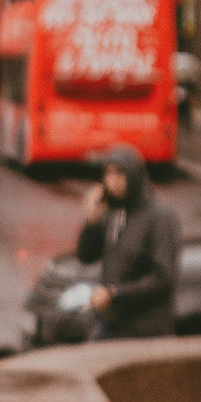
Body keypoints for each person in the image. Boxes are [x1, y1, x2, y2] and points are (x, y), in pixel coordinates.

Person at [68, 144, 180, 338]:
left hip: (146, 327)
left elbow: (163, 277)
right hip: (111, 321)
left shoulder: (159, 216)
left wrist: (115, 294)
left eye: (121, 174)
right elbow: (86, 256)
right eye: (109, 174)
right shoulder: (112, 211)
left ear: (134, 176)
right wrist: (91, 222)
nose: (114, 181)